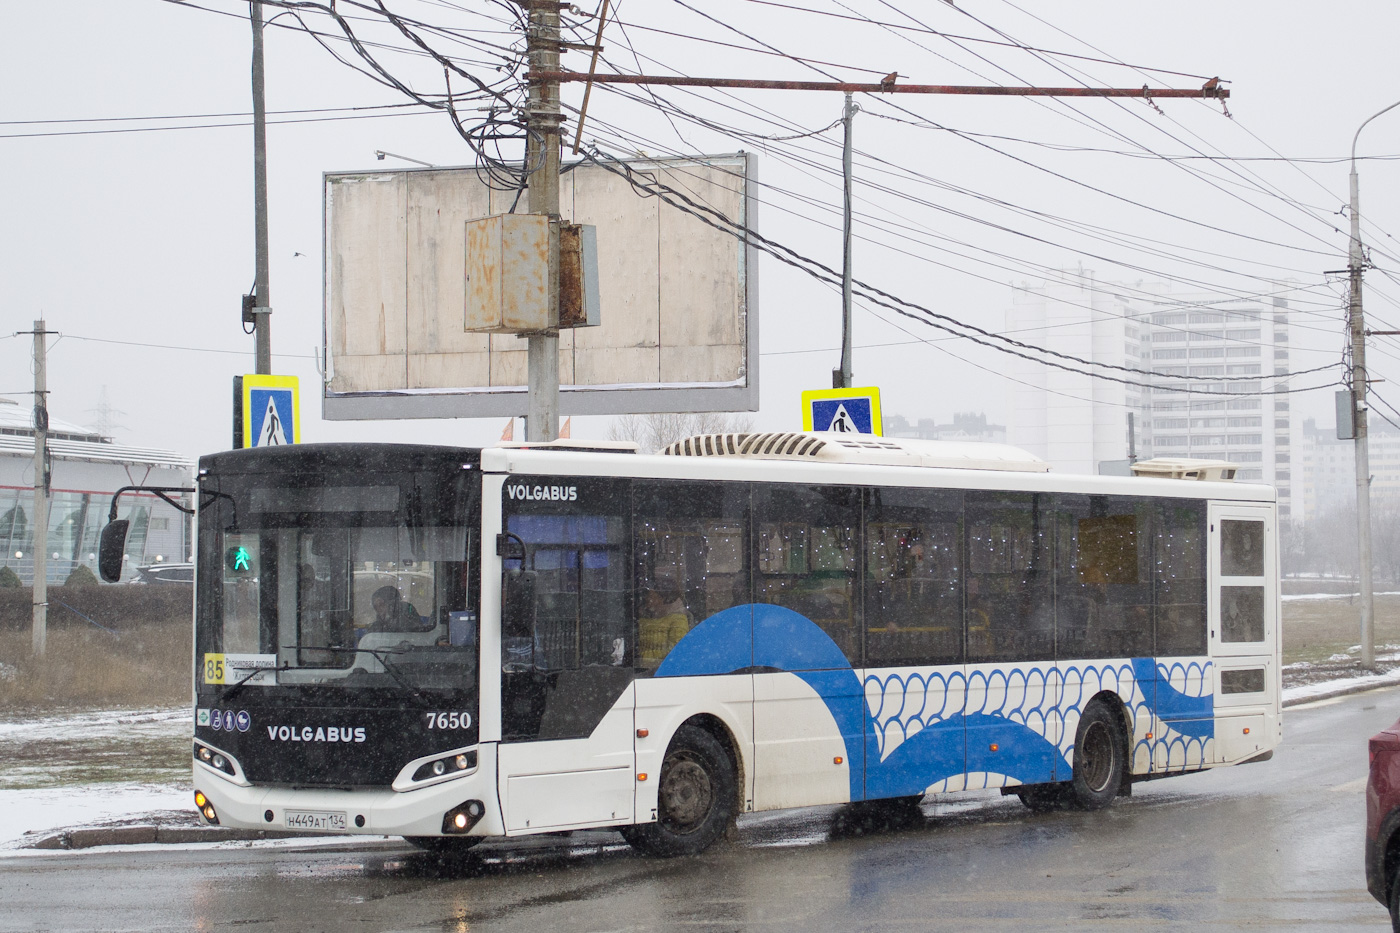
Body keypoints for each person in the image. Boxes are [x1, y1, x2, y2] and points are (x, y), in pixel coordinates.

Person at [638, 581, 691, 664]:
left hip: (662, 670)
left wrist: (643, 657)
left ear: (663, 598)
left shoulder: (678, 620)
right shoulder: (644, 618)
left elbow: (677, 651)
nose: (648, 599)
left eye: (651, 596)